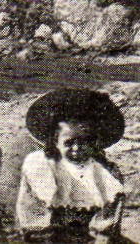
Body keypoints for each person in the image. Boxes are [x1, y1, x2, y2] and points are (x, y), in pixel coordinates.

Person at [17, 88, 129, 243]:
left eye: (84, 142)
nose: (76, 148)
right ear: (55, 141)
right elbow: (32, 216)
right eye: (69, 143)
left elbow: (107, 222)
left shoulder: (107, 173)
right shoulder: (41, 170)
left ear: (95, 141)